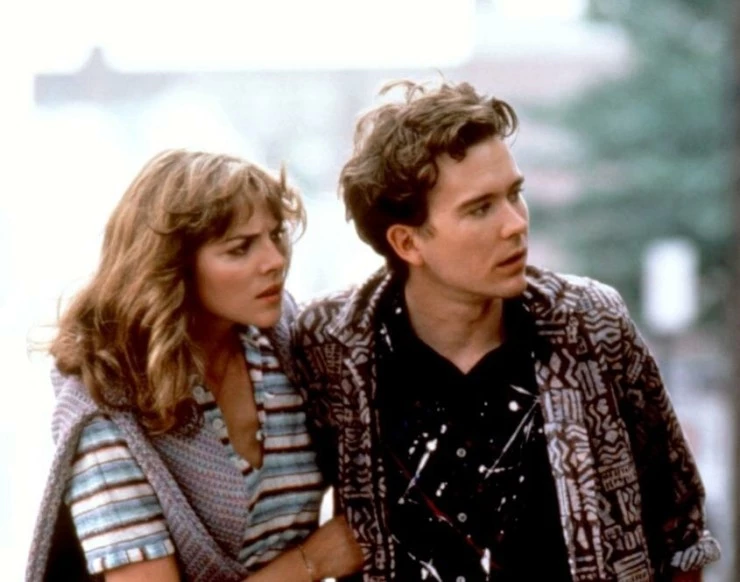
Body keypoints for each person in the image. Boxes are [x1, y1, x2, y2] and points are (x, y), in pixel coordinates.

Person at [291, 80, 722, 582]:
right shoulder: (331, 345)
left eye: (515, 194)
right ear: (408, 242)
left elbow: (681, 534)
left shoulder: (589, 325)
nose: (515, 224)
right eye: (480, 208)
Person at [26, 149, 364, 582]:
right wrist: (311, 562)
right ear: (172, 267)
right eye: (240, 248)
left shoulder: (286, 346)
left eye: (276, 234)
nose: (275, 260)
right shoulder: (107, 406)